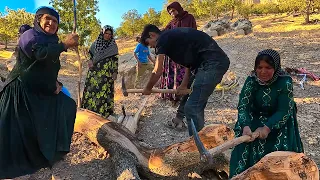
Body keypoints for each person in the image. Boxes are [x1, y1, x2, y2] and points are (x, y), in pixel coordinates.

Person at [0, 7, 78, 179]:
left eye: (55, 21)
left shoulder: (52, 40)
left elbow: (47, 69)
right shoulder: (29, 36)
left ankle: (44, 157)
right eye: (48, 19)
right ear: (39, 20)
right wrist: (64, 45)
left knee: (67, 106)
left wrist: (55, 83)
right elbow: (40, 55)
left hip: (38, 89)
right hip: (20, 91)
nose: (51, 23)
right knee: (19, 132)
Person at [140, 24, 230, 136]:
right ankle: (181, 121)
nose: (152, 47)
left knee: (192, 108)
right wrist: (183, 85)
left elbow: (157, 70)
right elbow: (189, 64)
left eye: (149, 43)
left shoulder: (162, 39)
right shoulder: (172, 39)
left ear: (152, 35)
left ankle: (198, 147)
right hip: (204, 65)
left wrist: (148, 88)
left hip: (212, 63)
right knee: (190, 97)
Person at [229, 49, 304, 178]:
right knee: (242, 151)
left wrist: (267, 127)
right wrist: (245, 126)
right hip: (254, 118)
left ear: (275, 68)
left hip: (278, 121)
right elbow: (243, 106)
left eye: (268, 67)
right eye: (259, 67)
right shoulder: (251, 81)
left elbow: (283, 110)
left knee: (279, 161)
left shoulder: (284, 82)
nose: (263, 72)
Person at [161, 1, 197, 130]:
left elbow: (193, 34)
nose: (172, 13)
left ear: (178, 9)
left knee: (186, 78)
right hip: (174, 55)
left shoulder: (189, 18)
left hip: (186, 52)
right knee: (175, 77)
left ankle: (185, 108)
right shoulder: (171, 23)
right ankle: (175, 97)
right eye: (170, 12)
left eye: (173, 10)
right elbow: (163, 32)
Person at [81, 25, 119, 118]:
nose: (108, 35)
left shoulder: (113, 46)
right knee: (92, 91)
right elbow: (89, 55)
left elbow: (115, 60)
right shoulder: (94, 44)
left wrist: (115, 72)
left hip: (107, 74)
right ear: (102, 33)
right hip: (94, 73)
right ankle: (90, 111)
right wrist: (89, 61)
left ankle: (103, 114)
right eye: (106, 33)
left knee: (105, 92)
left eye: (110, 34)